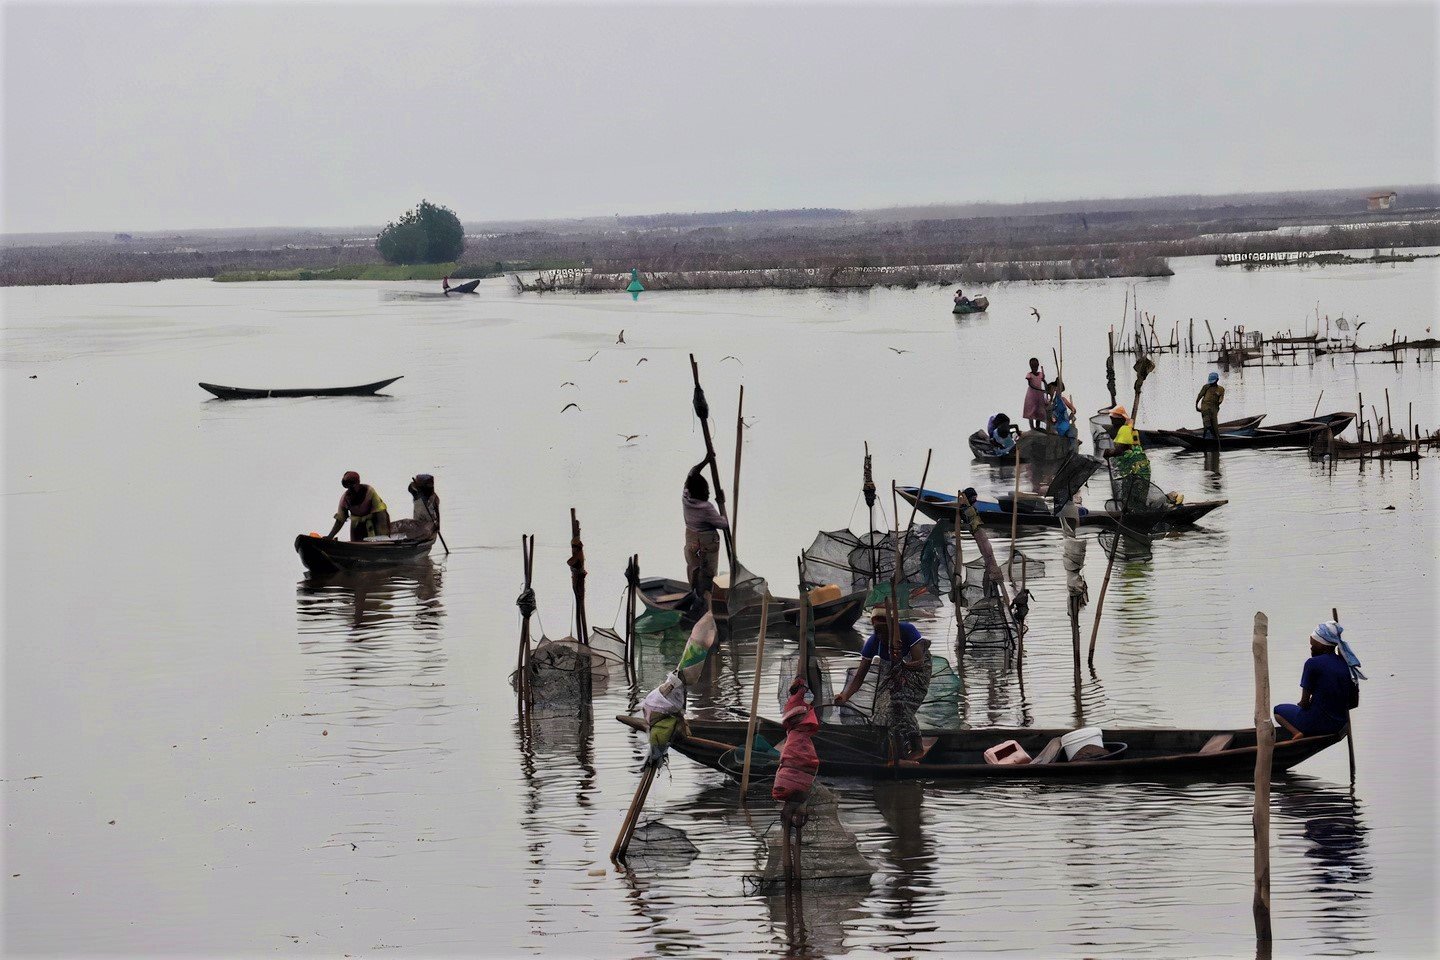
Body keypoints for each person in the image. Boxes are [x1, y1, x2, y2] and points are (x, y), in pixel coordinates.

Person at [833, 608, 932, 760]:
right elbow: (859, 677)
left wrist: (903, 666)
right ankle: (897, 746)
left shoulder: (907, 631)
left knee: (900, 703)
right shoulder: (873, 642)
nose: (881, 634)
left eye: (884, 629)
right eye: (877, 630)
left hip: (917, 672)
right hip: (893, 671)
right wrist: (845, 696)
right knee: (882, 708)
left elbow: (918, 662)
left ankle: (917, 745)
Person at [1273, 621, 1362, 740]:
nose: (1311, 647)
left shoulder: (1312, 664)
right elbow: (1354, 703)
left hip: (1315, 723)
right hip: (1339, 725)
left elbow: (1304, 702)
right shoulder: (1347, 664)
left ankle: (1297, 733)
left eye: (1313, 644)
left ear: (1323, 645)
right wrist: (1334, 707)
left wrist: (1304, 704)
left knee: (1277, 710)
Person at [683, 455, 729, 598]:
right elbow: (724, 524)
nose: (708, 492)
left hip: (691, 539)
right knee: (708, 574)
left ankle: (696, 595)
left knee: (694, 569)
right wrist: (721, 502)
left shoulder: (685, 496)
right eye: (706, 490)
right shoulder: (706, 508)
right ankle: (706, 602)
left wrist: (706, 460)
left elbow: (692, 472)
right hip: (707, 541)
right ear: (701, 492)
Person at [326, 471, 391, 541]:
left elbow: (380, 512)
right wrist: (329, 537)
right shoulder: (345, 498)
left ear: (358, 483)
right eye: (348, 485)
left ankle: (382, 541)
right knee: (356, 541)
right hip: (357, 524)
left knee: (381, 516)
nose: (350, 488)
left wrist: (382, 537)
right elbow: (340, 520)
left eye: (352, 484)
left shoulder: (369, 491)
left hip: (375, 522)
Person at [1104, 423, 1151, 511]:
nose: (1116, 445)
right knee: (1138, 501)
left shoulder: (1127, 457)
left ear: (1124, 445)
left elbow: (1117, 467)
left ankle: (1131, 511)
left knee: (1130, 502)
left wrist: (1109, 454)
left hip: (1135, 485)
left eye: (1119, 444)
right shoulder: (1139, 451)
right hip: (1142, 485)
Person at [1196, 371, 1225, 438]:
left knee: (1215, 428)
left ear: (1217, 380)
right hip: (1205, 408)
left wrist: (1219, 401)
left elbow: (1221, 398)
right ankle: (1205, 438)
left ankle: (1215, 438)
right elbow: (1199, 396)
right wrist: (1196, 406)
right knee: (1207, 424)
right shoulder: (1206, 387)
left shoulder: (1221, 389)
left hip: (1214, 408)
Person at [1023, 358, 1048, 430]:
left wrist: (1046, 386)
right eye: (1033, 366)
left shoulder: (1041, 374)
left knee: (1039, 411)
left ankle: (1037, 427)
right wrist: (1040, 389)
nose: (1035, 368)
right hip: (1031, 395)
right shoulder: (1029, 375)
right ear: (1030, 366)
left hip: (1039, 395)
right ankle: (1032, 427)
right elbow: (1030, 385)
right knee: (1031, 411)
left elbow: (1044, 382)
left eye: (1036, 366)